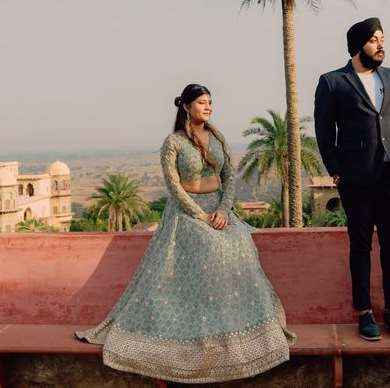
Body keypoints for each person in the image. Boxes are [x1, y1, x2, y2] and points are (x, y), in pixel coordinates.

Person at [76, 83, 296, 382]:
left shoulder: (217, 138)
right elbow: (174, 187)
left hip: (219, 208)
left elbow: (229, 176)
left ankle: (245, 331)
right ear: (186, 106)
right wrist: (201, 215)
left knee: (239, 243)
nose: (208, 108)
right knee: (206, 244)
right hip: (188, 212)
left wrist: (222, 209)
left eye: (210, 103)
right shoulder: (174, 142)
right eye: (202, 103)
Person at [314, 17, 390, 342]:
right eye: (375, 39)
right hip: (355, 177)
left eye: (383, 39)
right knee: (360, 245)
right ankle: (364, 313)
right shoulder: (333, 82)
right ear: (359, 44)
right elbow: (324, 129)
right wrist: (335, 169)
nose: (381, 45)